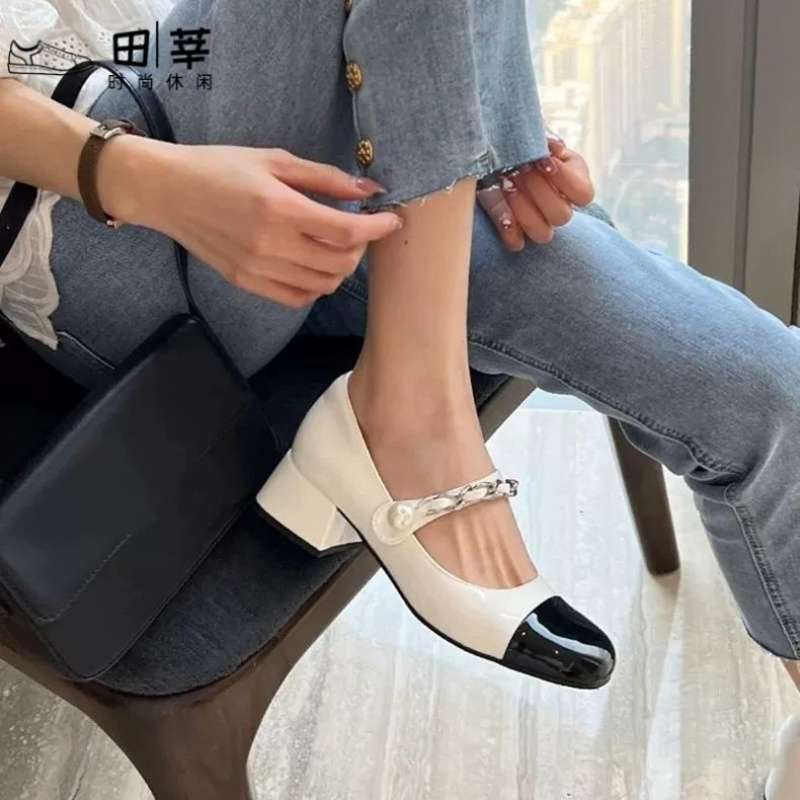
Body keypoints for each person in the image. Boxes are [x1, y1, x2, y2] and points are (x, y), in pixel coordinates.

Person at [1, 1, 799, 795]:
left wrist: (479, 139)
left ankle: (406, 389)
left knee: (765, 389)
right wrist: (143, 178)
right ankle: (411, 419)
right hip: (96, 213)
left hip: (244, 114)